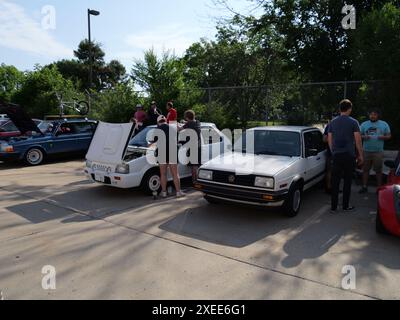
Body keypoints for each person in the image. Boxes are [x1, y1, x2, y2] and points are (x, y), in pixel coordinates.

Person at [328, 99, 364, 213]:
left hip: (337, 155)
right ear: (349, 109)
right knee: (347, 181)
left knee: (335, 182)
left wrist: (333, 151)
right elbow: (358, 141)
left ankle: (333, 207)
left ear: (340, 109)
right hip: (349, 155)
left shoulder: (332, 122)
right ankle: (345, 206)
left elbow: (329, 139)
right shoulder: (354, 122)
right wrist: (361, 155)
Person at [359, 109, 391, 193]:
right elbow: (358, 135)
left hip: (378, 151)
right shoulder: (364, 124)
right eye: (371, 114)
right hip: (366, 150)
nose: (372, 116)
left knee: (378, 170)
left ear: (378, 115)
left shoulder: (384, 124)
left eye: (374, 114)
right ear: (369, 115)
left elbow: (389, 136)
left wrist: (383, 137)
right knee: (365, 170)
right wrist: (364, 137)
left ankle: (379, 188)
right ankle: (364, 186)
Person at [156, 115, 185, 198]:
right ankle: (178, 192)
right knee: (175, 174)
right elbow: (178, 139)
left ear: (158, 122)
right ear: (165, 120)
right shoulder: (172, 128)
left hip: (162, 152)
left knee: (163, 174)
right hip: (172, 151)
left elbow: (152, 141)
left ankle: (164, 192)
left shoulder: (157, 129)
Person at [179, 110, 202, 182]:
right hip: (198, 146)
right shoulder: (197, 122)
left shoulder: (189, 124)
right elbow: (190, 123)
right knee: (196, 165)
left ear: (187, 117)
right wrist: (185, 122)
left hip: (192, 147)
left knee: (193, 166)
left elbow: (179, 129)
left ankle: (194, 181)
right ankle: (197, 180)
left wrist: (174, 124)